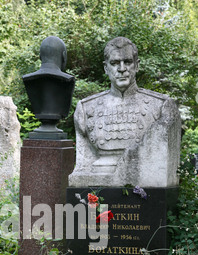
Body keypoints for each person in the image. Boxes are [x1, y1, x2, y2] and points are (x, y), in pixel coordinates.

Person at [69, 36, 181, 187]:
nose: (122, 69)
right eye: (115, 63)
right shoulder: (86, 108)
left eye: (127, 62)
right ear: (106, 68)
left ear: (136, 65)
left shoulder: (160, 106)